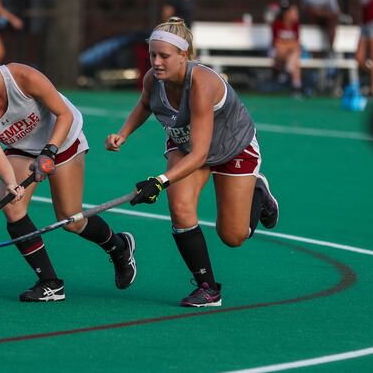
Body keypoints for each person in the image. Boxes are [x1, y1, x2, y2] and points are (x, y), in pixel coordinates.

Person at [0, 19, 137, 302]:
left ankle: (119, 246)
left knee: (70, 220)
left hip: (62, 138)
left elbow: (65, 115)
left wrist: (49, 152)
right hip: (22, 149)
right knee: (12, 208)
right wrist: (11, 183)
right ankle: (50, 282)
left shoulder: (22, 77)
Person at [105, 17, 280, 307]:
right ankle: (207, 288)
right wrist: (123, 134)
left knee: (233, 236)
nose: (157, 62)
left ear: (183, 55)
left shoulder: (202, 83)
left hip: (231, 146)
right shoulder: (153, 79)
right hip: (186, 142)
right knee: (180, 206)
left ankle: (258, 194)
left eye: (164, 56)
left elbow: (202, 155)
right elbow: (145, 104)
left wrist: (160, 181)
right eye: (152, 55)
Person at [271, 0, 303, 96]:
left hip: (290, 55)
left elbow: (297, 43)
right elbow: (277, 43)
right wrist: (289, 44)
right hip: (277, 55)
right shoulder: (277, 24)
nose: (296, 14)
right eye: (293, 12)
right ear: (286, 13)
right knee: (286, 50)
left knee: (295, 59)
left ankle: (288, 71)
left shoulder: (296, 25)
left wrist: (287, 44)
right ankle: (296, 87)